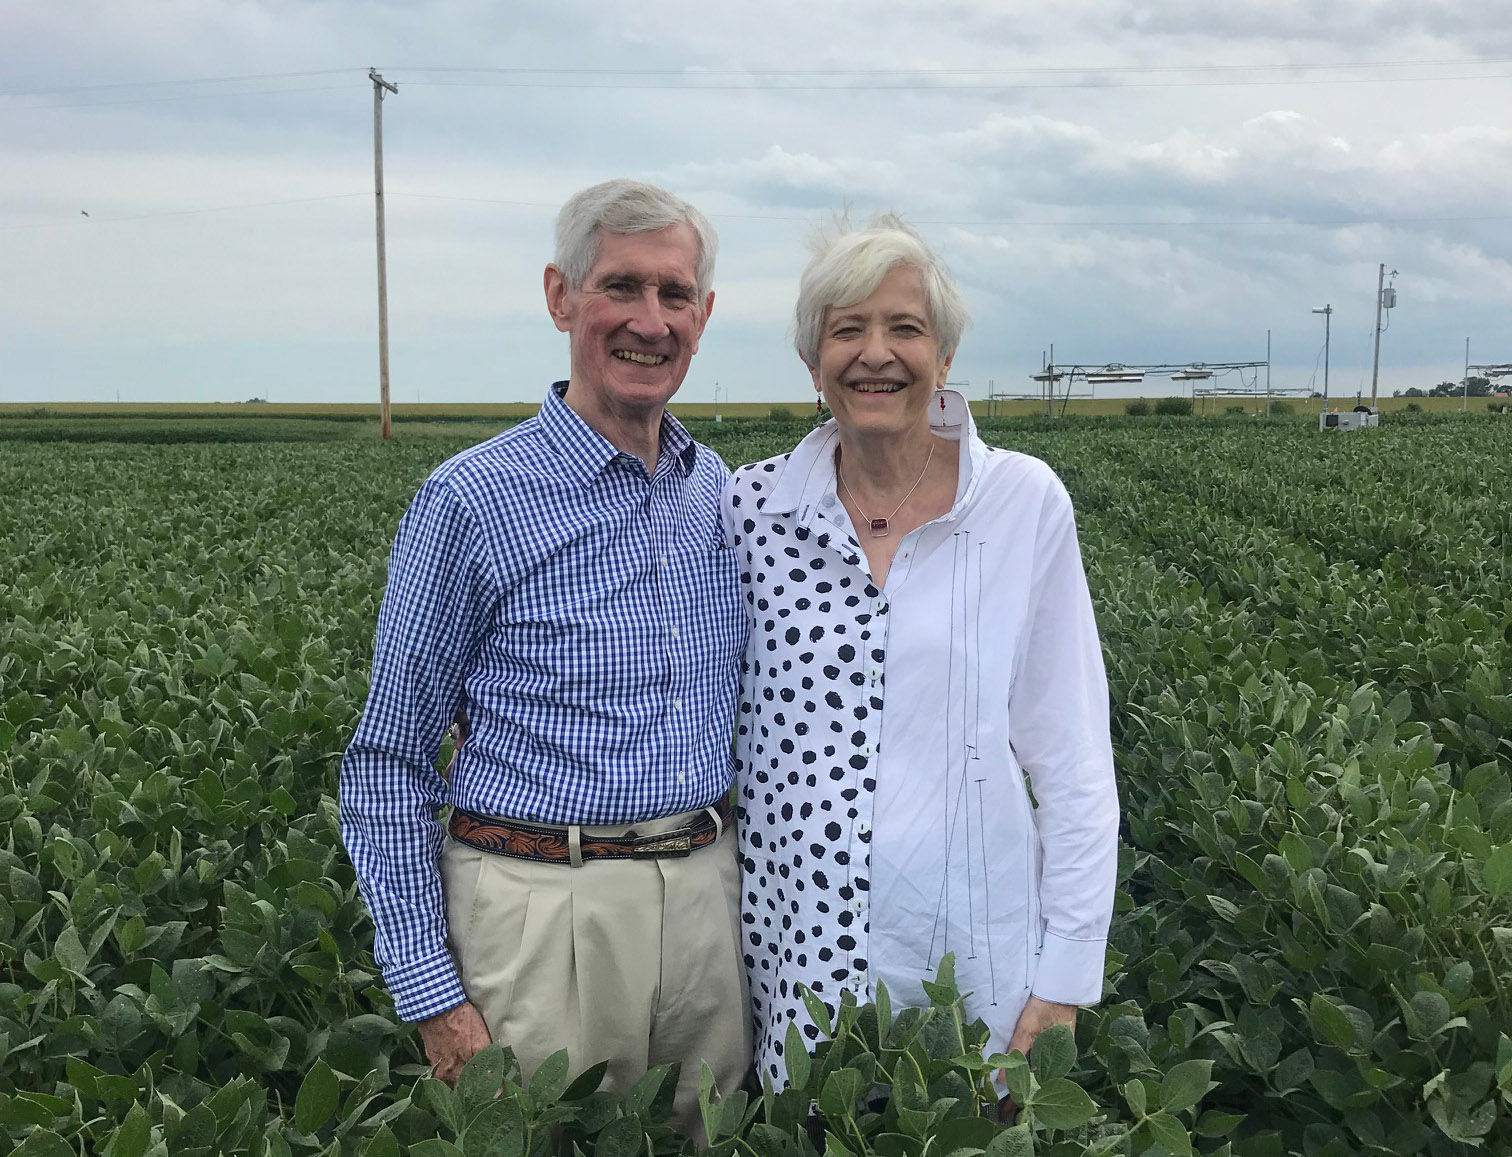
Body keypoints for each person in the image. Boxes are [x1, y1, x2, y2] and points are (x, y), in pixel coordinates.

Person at [340, 179, 750, 1134]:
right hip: (539, 915)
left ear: (705, 315)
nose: (650, 321)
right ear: (561, 297)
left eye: (675, 294)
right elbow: (387, 760)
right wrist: (432, 995)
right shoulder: (473, 499)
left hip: (705, 902)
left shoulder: (716, 492)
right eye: (621, 287)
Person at [721, 215, 1119, 1090]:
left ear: (943, 357)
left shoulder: (1020, 502)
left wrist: (1064, 980)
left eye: (905, 328)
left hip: (972, 971)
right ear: (811, 358)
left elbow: (1072, 755)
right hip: (799, 970)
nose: (877, 353)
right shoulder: (751, 510)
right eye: (847, 328)